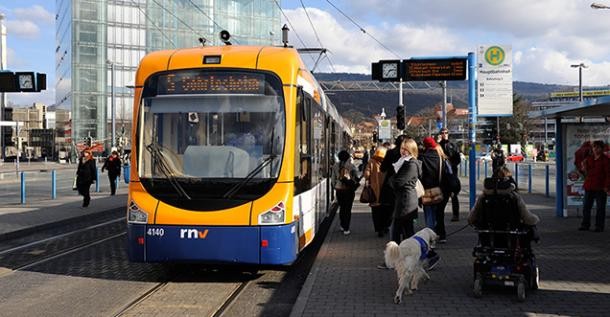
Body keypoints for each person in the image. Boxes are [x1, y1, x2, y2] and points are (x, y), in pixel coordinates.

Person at [389, 138, 421, 243]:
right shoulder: (403, 162)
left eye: (406, 149)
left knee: (398, 229)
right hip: (404, 199)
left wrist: (392, 179)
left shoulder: (411, 164)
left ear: (412, 150)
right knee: (406, 229)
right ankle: (406, 253)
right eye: (402, 149)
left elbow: (397, 182)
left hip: (406, 201)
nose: (403, 151)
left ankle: (397, 253)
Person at [379, 135, 409, 236]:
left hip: (390, 184)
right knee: (403, 209)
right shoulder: (408, 154)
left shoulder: (390, 153)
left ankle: (386, 227)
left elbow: (383, 168)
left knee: (389, 208)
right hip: (404, 185)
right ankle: (403, 232)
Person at [578, 140, 610, 232]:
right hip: (589, 186)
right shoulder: (589, 159)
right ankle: (585, 224)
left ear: (602, 149)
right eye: (594, 147)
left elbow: (608, 174)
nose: (595, 149)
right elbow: (584, 172)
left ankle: (599, 226)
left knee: (600, 208)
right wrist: (583, 167)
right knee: (586, 207)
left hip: (600, 187)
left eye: (598, 147)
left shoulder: (606, 160)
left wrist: (607, 186)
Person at [420, 136, 447, 242]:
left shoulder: (422, 157)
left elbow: (420, 174)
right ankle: (440, 234)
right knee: (438, 213)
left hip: (426, 190)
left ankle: (430, 237)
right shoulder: (440, 157)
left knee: (428, 213)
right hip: (438, 189)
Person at [332, 150, 359, 235]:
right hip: (348, 190)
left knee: (342, 208)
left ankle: (342, 225)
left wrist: (335, 186)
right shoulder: (351, 166)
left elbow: (333, 179)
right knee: (348, 209)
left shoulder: (335, 166)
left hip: (339, 190)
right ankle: (346, 228)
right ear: (348, 157)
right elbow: (356, 176)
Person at [363, 146, 388, 237]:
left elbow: (366, 175)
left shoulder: (371, 161)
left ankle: (379, 229)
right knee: (385, 210)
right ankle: (385, 226)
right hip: (385, 190)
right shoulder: (387, 162)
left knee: (376, 211)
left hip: (374, 190)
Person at [438, 128, 461, 222]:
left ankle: (456, 215)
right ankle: (440, 214)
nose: (444, 134)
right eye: (442, 133)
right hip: (442, 174)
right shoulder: (438, 145)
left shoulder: (453, 145)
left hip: (452, 173)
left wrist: (450, 160)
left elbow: (457, 159)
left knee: (454, 195)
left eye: (446, 132)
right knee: (443, 196)